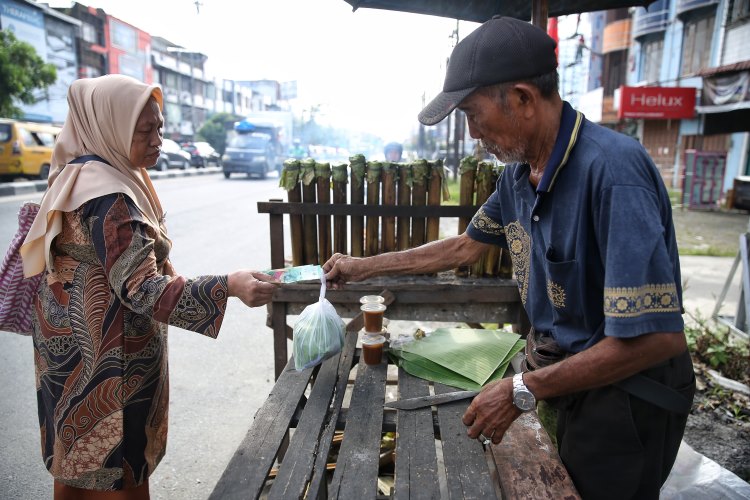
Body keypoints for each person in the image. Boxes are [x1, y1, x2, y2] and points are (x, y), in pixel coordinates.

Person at [324, 16, 695, 499]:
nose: (474, 134)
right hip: (563, 377)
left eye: (474, 115)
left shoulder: (613, 174)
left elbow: (657, 340)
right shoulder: (518, 176)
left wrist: (523, 390)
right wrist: (363, 266)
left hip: (626, 396)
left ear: (521, 98)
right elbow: (464, 247)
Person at [20, 74, 278, 499]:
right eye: (145, 131)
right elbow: (141, 288)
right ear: (113, 127)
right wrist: (227, 286)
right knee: (119, 466)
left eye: (160, 127)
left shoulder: (79, 173)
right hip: (107, 356)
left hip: (65, 349)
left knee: (77, 461)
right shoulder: (110, 196)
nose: (158, 139)